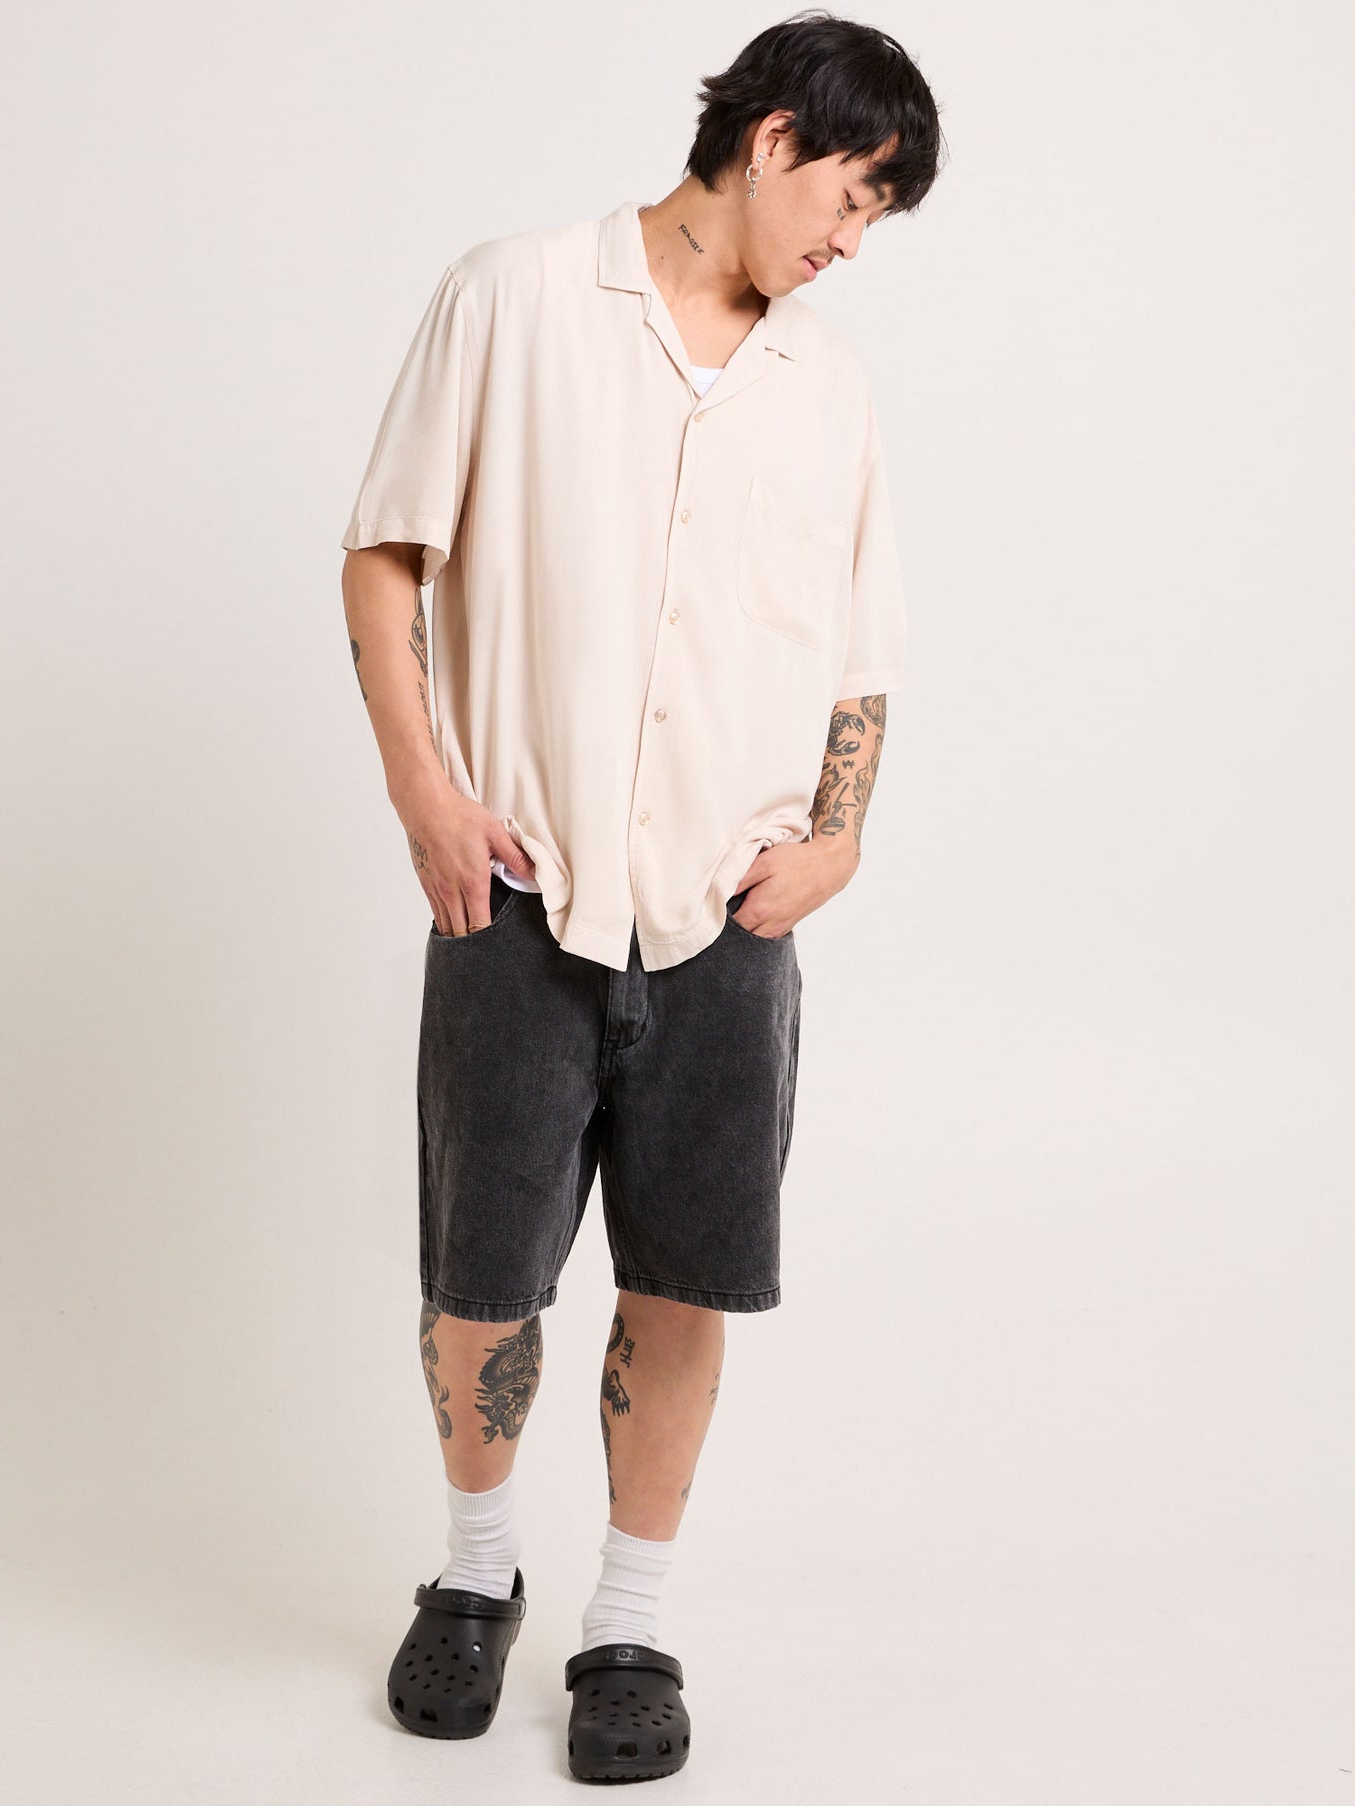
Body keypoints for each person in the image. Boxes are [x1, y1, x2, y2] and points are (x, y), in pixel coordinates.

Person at [338, 10, 943, 1783]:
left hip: (725, 925)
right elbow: (385, 550)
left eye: (881, 215)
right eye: (854, 192)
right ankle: (474, 1575)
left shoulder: (825, 386)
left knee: (682, 1285)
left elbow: (858, 649)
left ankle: (629, 1619)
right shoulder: (514, 298)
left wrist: (839, 837)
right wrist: (424, 792)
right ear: (771, 138)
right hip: (518, 898)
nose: (855, 240)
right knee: (481, 1281)